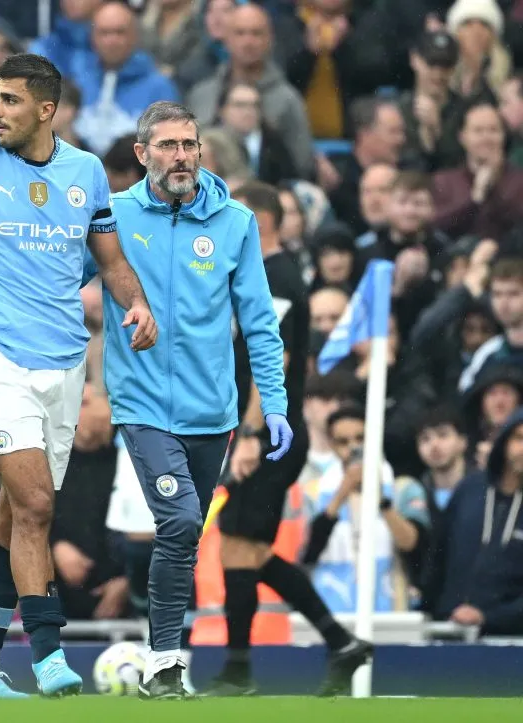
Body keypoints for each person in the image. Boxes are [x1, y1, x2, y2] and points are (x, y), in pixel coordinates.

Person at [0, 53, 156, 698]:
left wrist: (137, 303)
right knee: (39, 505)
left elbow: (109, 255)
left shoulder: (85, 173)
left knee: (17, 514)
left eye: (11, 100)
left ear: (47, 109)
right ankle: (48, 653)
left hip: (67, 360)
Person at [84, 102, 291, 698]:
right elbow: (58, 279)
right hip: (143, 405)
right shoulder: (114, 217)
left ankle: (167, 666)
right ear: (142, 154)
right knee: (176, 522)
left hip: (214, 413)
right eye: (169, 145)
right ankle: (165, 663)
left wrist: (272, 404)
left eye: (190, 144)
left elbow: (258, 321)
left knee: (184, 536)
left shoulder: (236, 222)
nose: (182, 156)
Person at [210, 180, 372, 696]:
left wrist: (254, 431)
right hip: (267, 429)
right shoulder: (264, 273)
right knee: (243, 550)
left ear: (260, 220)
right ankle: (338, 643)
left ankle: (240, 671)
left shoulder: (276, 278)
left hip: (271, 432)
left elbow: (271, 360)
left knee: (240, 546)